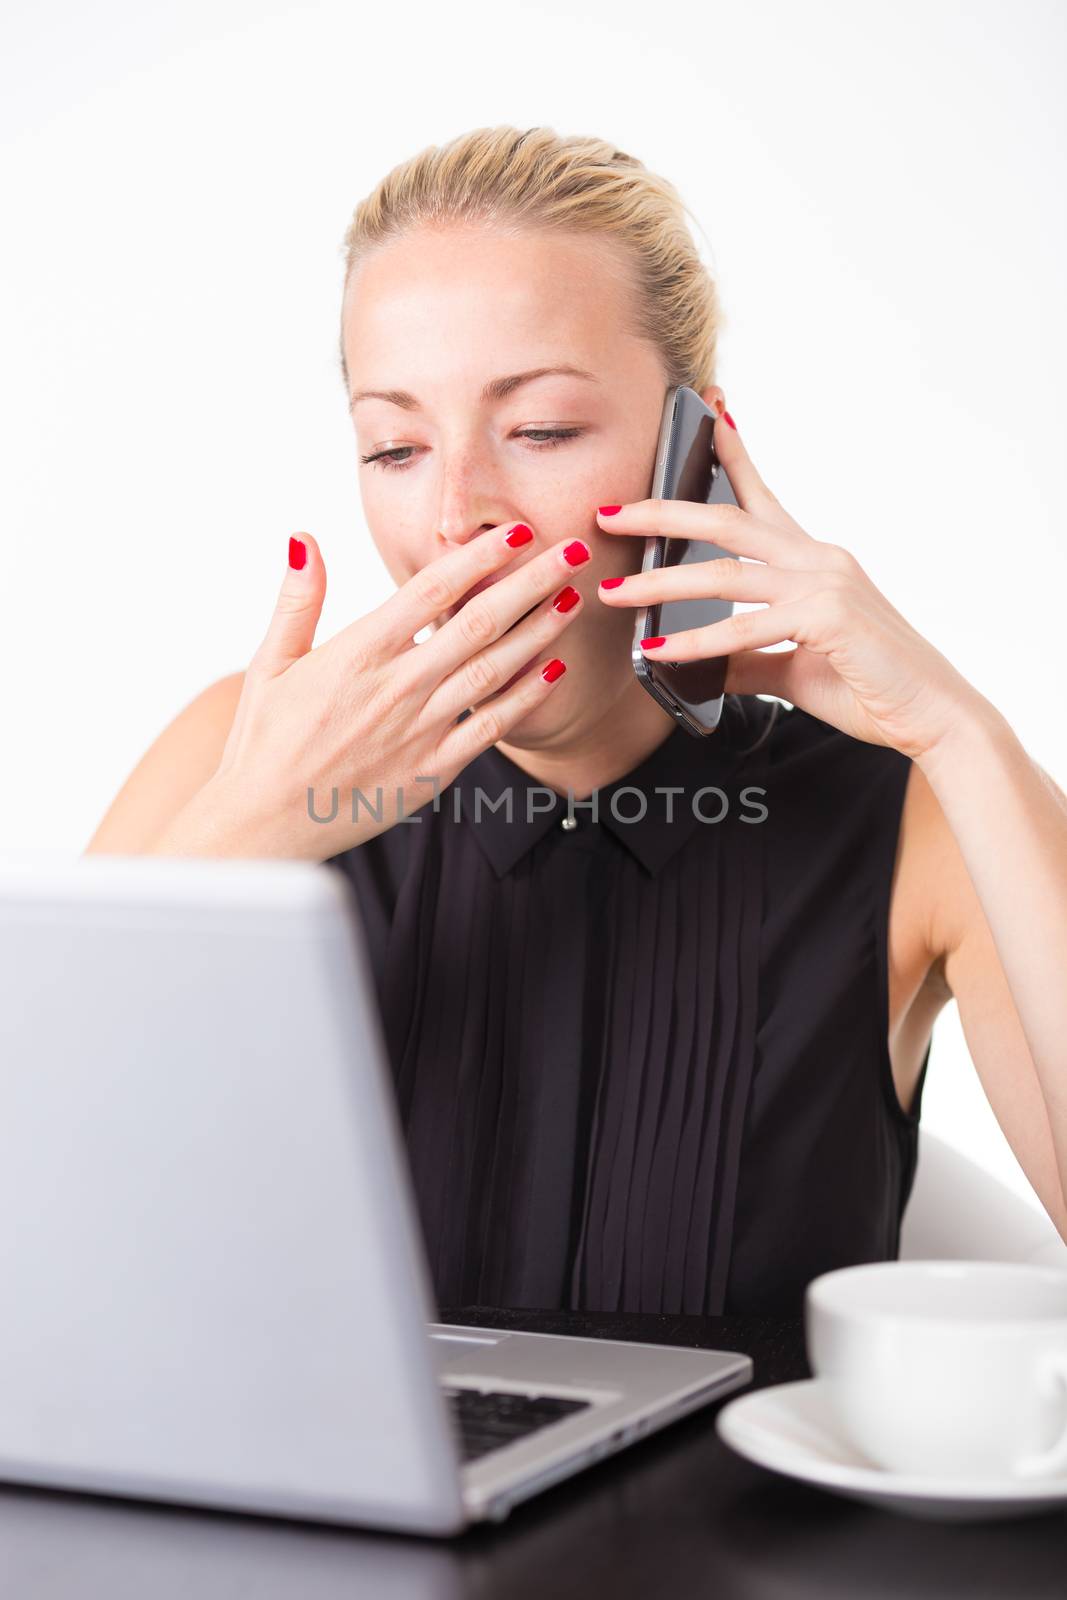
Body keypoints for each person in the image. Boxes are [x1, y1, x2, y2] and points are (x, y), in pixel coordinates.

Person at [86, 125, 1067, 1317]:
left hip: (734, 1511)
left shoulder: (911, 811)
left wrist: (965, 737)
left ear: (693, 450)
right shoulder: (238, 754)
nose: (453, 517)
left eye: (539, 430)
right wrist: (244, 835)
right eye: (394, 446)